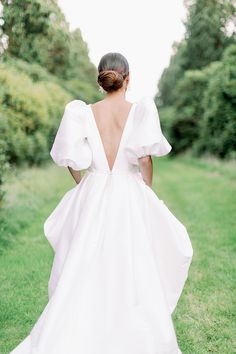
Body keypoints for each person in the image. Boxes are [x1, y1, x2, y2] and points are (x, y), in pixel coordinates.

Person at [10, 52, 193, 354]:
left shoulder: (82, 113)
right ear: (127, 78)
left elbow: (70, 157)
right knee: (132, 265)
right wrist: (145, 186)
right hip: (128, 192)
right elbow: (144, 157)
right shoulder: (139, 110)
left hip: (94, 191)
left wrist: (84, 183)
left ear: (101, 80)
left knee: (85, 263)